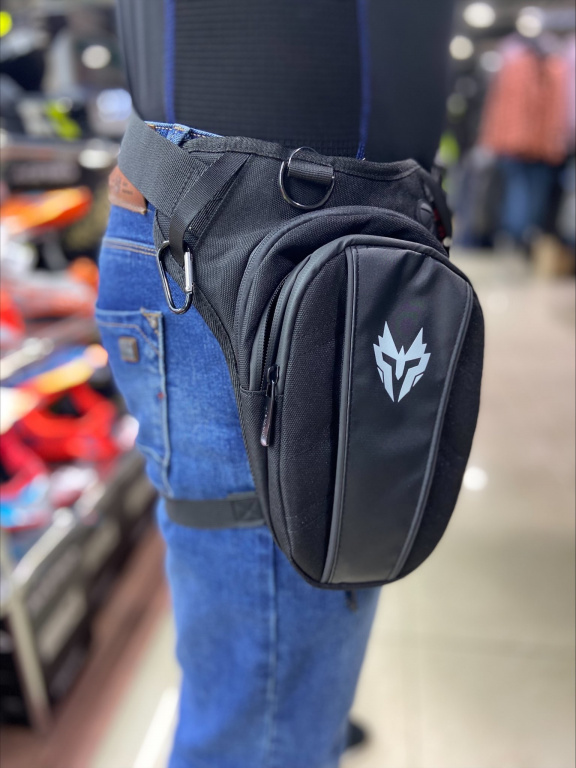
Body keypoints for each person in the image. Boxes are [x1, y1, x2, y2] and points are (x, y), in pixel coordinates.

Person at [97, 3, 455, 766]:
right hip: (239, 237)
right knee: (260, 724)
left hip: (303, 229)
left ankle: (303, 702)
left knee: (305, 609)